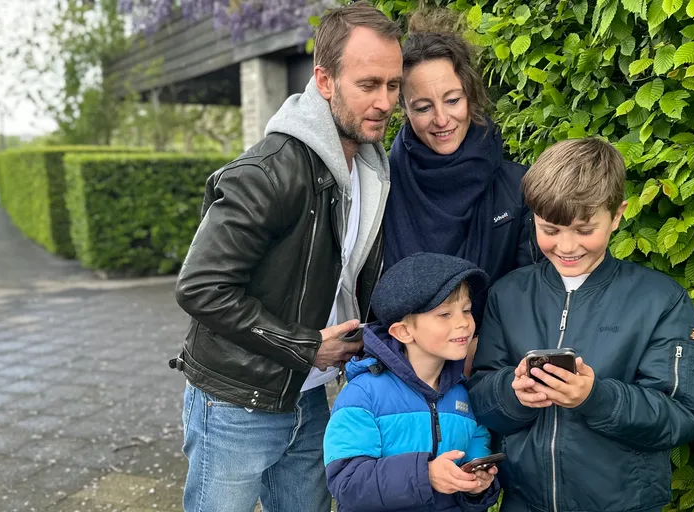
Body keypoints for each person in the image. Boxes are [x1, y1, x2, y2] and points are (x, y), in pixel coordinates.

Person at [169, 3, 403, 511]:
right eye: (368, 85)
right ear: (324, 79)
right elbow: (200, 287)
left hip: (311, 396)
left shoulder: (370, 169)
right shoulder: (269, 172)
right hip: (236, 402)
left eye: (393, 85)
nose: (385, 102)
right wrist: (303, 346)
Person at [467, 138, 694, 512]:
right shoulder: (508, 294)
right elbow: (480, 399)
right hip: (523, 503)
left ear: (617, 215)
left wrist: (594, 398)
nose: (566, 246)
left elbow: (685, 416)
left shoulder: (660, 299)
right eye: (549, 229)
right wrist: (513, 394)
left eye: (584, 230)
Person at [382, 14, 540, 375]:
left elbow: (530, 290)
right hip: (402, 374)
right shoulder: (381, 185)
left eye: (453, 100)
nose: (441, 119)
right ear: (404, 109)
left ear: (470, 95)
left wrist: (483, 347)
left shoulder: (517, 188)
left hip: (491, 369)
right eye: (423, 107)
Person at [324, 252, 500, 511]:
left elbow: (476, 458)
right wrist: (424, 475)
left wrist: (477, 485)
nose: (463, 323)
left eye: (466, 310)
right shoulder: (363, 395)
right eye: (444, 314)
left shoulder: (462, 395)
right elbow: (347, 483)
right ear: (403, 332)